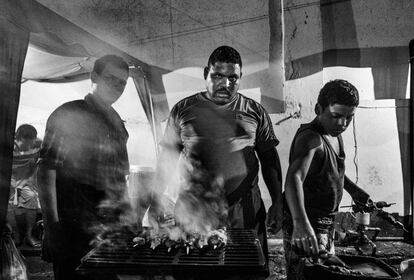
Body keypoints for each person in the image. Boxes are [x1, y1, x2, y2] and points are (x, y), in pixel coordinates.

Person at [146, 46, 283, 261]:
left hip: (243, 209)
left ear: (240, 78)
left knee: (244, 268)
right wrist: (154, 201)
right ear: (205, 74)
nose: (225, 84)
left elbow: (269, 159)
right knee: (195, 267)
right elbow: (167, 159)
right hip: (194, 208)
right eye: (218, 75)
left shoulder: (254, 112)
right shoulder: (183, 110)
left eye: (233, 78)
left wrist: (277, 201)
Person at [38, 55, 130, 280]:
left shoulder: (117, 123)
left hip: (109, 228)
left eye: (123, 83)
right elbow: (46, 171)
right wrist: (52, 227)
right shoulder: (70, 114)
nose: (118, 86)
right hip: (73, 229)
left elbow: (120, 177)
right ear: (93, 77)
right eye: (112, 78)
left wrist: (128, 216)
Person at [283, 79, 372, 280]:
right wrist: (301, 223)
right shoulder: (311, 139)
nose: (342, 123)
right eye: (336, 116)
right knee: (308, 275)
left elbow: (331, 170)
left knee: (327, 273)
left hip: (325, 222)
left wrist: (352, 189)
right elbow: (293, 178)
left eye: (349, 117)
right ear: (318, 109)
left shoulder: (334, 134)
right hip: (307, 222)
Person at [8, 124, 42, 247]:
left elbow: (35, 166)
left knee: (32, 197)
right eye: (28, 142)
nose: (30, 145)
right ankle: (16, 234)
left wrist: (27, 182)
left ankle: (29, 235)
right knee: (8, 204)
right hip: (8, 183)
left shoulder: (37, 144)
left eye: (33, 141)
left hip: (24, 182)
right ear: (19, 138)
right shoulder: (9, 147)